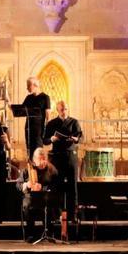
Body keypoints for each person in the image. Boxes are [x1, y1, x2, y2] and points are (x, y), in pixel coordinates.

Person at [43, 99, 82, 232]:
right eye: (61, 110)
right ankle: (57, 214)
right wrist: (52, 139)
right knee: (56, 186)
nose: (63, 112)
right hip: (57, 157)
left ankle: (73, 214)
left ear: (68, 109)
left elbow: (80, 137)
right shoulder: (52, 123)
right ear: (57, 110)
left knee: (73, 186)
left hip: (71, 155)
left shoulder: (74, 122)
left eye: (65, 109)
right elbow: (45, 139)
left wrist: (76, 139)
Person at [18, 147, 60, 240]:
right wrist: (26, 184)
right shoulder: (27, 169)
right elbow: (18, 184)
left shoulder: (52, 170)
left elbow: (56, 186)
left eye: (44, 159)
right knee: (27, 205)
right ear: (34, 160)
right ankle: (30, 234)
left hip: (45, 196)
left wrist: (42, 187)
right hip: (30, 196)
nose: (42, 162)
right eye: (40, 159)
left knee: (49, 204)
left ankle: (48, 233)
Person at [21, 77, 51, 155]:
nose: (27, 88)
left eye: (28, 85)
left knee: (37, 153)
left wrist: (47, 131)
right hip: (28, 128)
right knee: (29, 152)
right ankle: (30, 166)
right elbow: (20, 110)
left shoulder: (45, 97)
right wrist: (8, 101)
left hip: (39, 130)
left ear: (35, 85)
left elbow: (48, 116)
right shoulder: (28, 97)